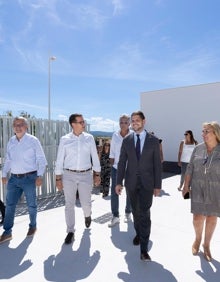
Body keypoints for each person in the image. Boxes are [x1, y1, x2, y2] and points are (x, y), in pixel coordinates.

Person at [115, 111, 162, 261]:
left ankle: (144, 249)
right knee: (135, 211)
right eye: (132, 121)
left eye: (137, 120)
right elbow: (122, 162)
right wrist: (118, 182)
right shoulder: (127, 140)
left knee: (145, 213)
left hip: (148, 184)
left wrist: (157, 185)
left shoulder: (154, 141)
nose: (134, 123)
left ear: (144, 121)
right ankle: (138, 233)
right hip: (131, 183)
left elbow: (157, 165)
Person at [55, 113, 101, 244]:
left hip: (86, 175)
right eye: (81, 122)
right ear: (73, 124)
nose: (83, 124)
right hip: (68, 175)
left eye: (83, 122)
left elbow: (95, 156)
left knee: (86, 203)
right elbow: (59, 159)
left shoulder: (89, 138)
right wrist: (58, 178)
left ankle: (87, 215)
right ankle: (70, 231)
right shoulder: (65, 139)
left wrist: (97, 174)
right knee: (69, 204)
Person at [0, 117, 47, 244]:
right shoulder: (11, 141)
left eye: (21, 124)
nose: (18, 127)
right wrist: (4, 174)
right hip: (14, 179)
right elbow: (8, 160)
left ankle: (33, 226)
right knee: (9, 205)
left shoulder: (33, 141)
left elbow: (41, 159)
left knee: (31, 205)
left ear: (26, 127)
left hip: (30, 178)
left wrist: (40, 175)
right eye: (15, 125)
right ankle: (7, 232)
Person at [182, 121, 220, 262]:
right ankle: (197, 239)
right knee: (197, 218)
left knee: (211, 218)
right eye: (203, 131)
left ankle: (207, 244)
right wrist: (186, 185)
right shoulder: (198, 149)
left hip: (216, 189)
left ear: (215, 133)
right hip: (198, 187)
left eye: (206, 131)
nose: (203, 134)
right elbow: (190, 167)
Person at [108, 114, 132, 227]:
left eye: (125, 122)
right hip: (117, 168)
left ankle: (128, 212)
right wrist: (112, 164)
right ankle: (115, 216)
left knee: (130, 191)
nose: (123, 125)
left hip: (130, 168)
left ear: (129, 124)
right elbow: (112, 151)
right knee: (114, 192)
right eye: (121, 122)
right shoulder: (115, 135)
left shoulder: (133, 135)